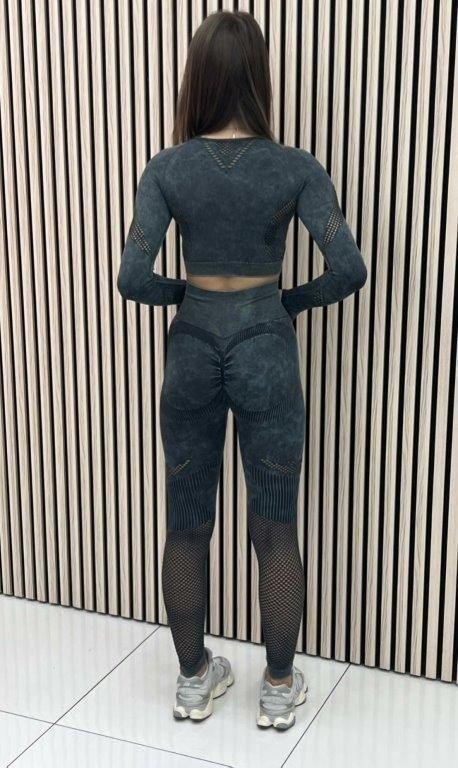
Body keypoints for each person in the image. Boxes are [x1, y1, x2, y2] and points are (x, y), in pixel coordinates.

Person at [117, 9, 367, 731]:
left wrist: (186, 296)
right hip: (265, 342)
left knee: (187, 522)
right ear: (259, 78)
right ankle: (279, 686)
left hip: (193, 346)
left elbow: (132, 278)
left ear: (197, 78)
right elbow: (348, 268)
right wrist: (288, 301)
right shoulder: (296, 168)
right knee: (275, 524)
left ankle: (194, 680)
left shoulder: (166, 168)